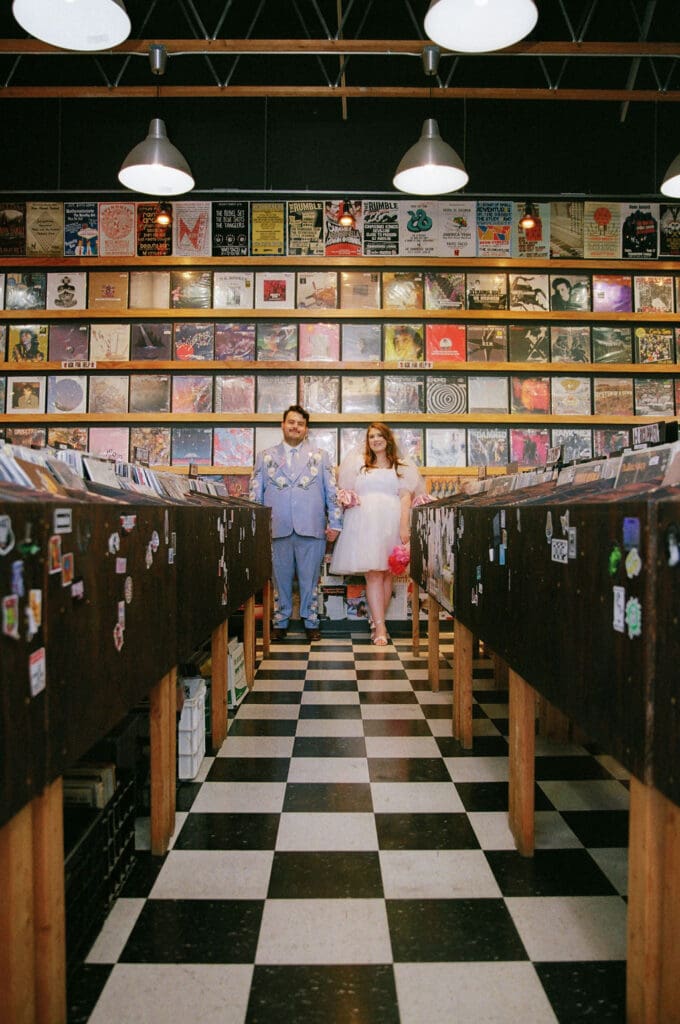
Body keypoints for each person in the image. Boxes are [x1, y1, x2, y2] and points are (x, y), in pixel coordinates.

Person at [249, 404, 342, 642]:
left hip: (311, 528)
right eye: (291, 422)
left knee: (310, 579)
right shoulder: (266, 456)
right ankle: (280, 621)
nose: (295, 427)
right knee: (279, 579)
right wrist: (256, 526)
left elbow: (331, 492)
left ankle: (311, 621)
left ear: (306, 429)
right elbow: (255, 495)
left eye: (300, 423)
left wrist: (336, 523)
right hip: (276, 528)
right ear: (283, 425)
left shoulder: (321, 457)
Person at [330, 423, 425, 646]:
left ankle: (376, 620)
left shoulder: (401, 466)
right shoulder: (358, 464)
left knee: (387, 574)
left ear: (388, 439)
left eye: (380, 436)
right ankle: (381, 627)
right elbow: (348, 492)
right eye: (372, 436)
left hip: (392, 521)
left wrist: (404, 528)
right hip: (365, 523)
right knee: (373, 573)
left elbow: (405, 498)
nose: (376, 440)